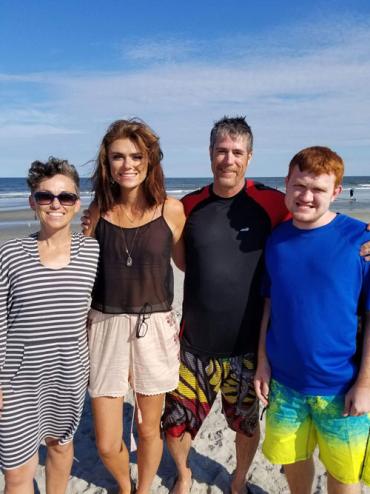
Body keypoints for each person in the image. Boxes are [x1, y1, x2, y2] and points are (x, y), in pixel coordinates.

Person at [161, 116, 291, 494]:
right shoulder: (189, 206)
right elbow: (180, 260)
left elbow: (314, 216)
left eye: (237, 152)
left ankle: (238, 480)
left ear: (249, 157)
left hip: (249, 350)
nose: (228, 159)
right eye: (221, 150)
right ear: (210, 154)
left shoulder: (271, 202)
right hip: (194, 347)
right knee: (176, 424)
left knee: (246, 425)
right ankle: (184, 475)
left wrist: (360, 235)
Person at [254, 146, 370, 494]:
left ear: (336, 192)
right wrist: (262, 362)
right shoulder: (276, 240)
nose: (306, 196)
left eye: (318, 189)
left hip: (342, 388)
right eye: (299, 186)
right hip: (285, 385)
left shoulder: (359, 240)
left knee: (343, 473)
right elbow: (269, 304)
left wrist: (364, 384)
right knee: (294, 460)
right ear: (287, 184)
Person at [84, 119, 186, 494]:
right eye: (117, 157)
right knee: (107, 443)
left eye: (135, 156)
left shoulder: (171, 211)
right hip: (105, 325)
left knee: (147, 427)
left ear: (150, 160)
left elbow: (191, 262)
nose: (127, 164)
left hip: (154, 324)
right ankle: (124, 486)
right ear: (107, 164)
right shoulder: (95, 213)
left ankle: (142, 490)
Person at [0, 158, 99, 494]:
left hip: (68, 373)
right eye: (45, 196)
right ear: (33, 202)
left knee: (59, 446)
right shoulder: (11, 254)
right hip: (16, 381)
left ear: (77, 203)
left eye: (66, 197)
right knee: (16, 473)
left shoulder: (93, 252)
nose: (56, 203)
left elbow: (104, 311)